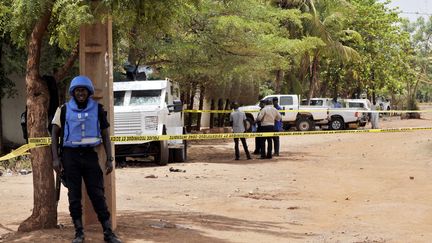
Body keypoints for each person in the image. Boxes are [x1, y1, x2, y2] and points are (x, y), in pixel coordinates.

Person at [51, 76, 121, 243]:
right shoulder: (64, 109)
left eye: (83, 90)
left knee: (97, 194)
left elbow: (105, 134)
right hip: (69, 156)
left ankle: (108, 233)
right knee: (74, 196)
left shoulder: (97, 109)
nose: (80, 93)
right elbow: (54, 134)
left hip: (90, 156)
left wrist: (110, 158)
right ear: (73, 92)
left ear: (88, 92)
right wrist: (55, 159)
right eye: (77, 90)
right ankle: (79, 233)